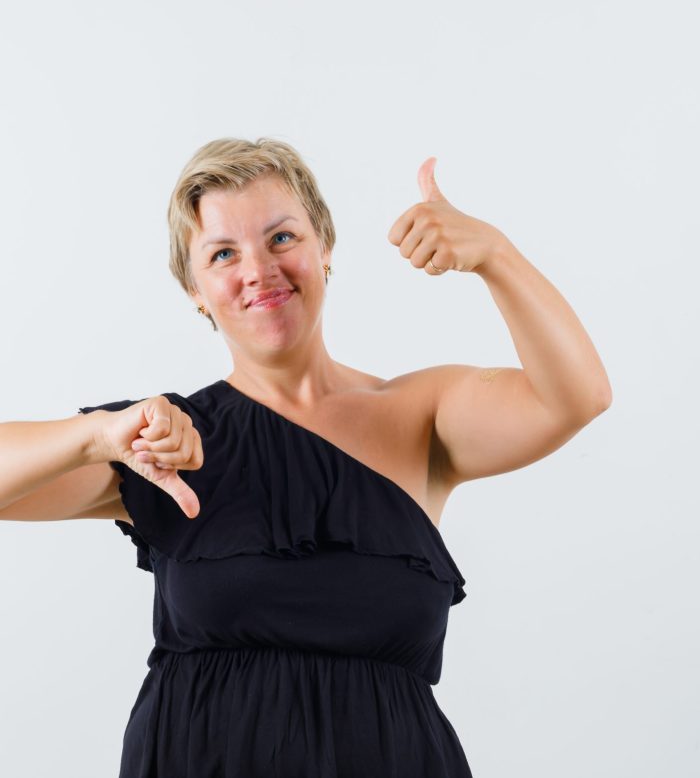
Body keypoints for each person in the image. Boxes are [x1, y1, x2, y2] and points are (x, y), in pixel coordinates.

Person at [0, 137, 612, 777]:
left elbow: (577, 396)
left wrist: (495, 255)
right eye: (223, 253)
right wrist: (97, 436)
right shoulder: (160, 441)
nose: (258, 270)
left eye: (282, 238)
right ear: (195, 290)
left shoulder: (420, 413)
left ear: (325, 247)